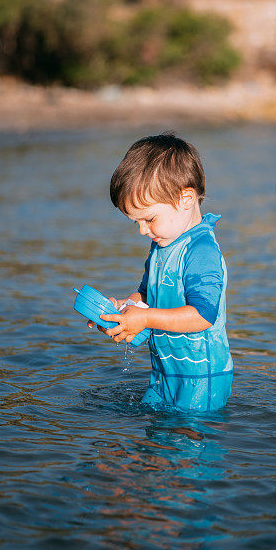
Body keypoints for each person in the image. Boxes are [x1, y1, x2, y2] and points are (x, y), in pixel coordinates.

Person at [91, 131, 233, 412]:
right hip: (163, 373)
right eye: (136, 223)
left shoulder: (200, 251)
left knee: (186, 447)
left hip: (201, 377)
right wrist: (126, 309)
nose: (143, 230)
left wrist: (145, 318)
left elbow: (203, 316)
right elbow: (147, 293)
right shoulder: (162, 244)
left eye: (149, 219)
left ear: (186, 199)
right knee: (155, 447)